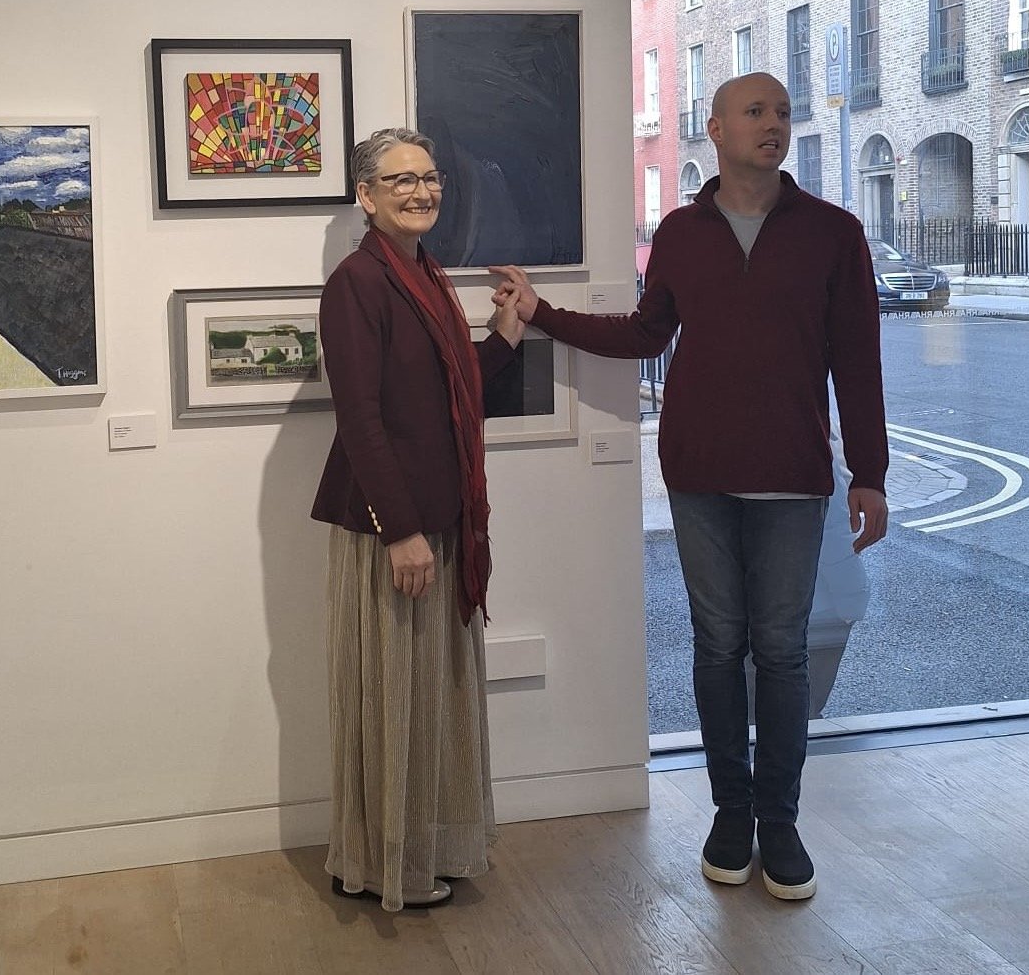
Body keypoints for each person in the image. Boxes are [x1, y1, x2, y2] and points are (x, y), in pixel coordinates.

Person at [492, 72, 889, 901]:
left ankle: (778, 822)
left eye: (782, 112)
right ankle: (729, 813)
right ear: (716, 129)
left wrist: (872, 475)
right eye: (756, 112)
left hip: (792, 475)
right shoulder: (680, 231)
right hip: (700, 471)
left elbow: (856, 361)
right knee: (718, 647)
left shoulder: (833, 232)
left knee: (781, 652)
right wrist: (542, 313)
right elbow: (645, 332)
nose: (774, 125)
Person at [312, 126, 526, 911]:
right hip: (390, 529)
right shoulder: (357, 283)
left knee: (426, 699)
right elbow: (361, 420)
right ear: (366, 197)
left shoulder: (424, 273)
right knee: (394, 698)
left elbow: (449, 388)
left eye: (429, 177)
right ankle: (380, 863)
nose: (420, 191)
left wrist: (503, 337)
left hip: (438, 517)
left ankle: (420, 845)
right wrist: (400, 530)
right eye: (399, 180)